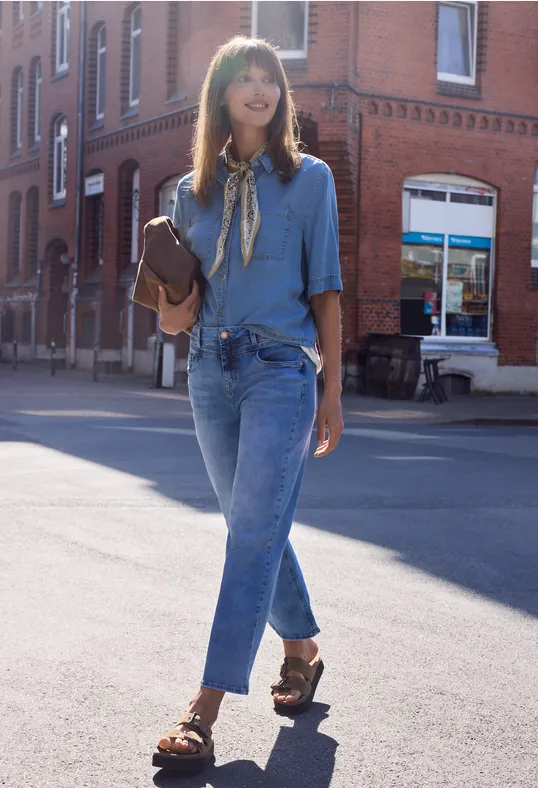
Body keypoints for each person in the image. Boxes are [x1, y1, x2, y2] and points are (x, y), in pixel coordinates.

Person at [153, 35, 344, 774]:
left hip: (280, 371)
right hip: (208, 368)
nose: (259, 89)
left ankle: (202, 711)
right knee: (251, 526)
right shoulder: (187, 192)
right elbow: (174, 318)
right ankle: (301, 651)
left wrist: (333, 389)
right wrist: (171, 295)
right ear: (222, 94)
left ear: (279, 95)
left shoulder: (311, 180)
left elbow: (324, 286)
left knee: (250, 536)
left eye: (270, 78)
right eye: (245, 78)